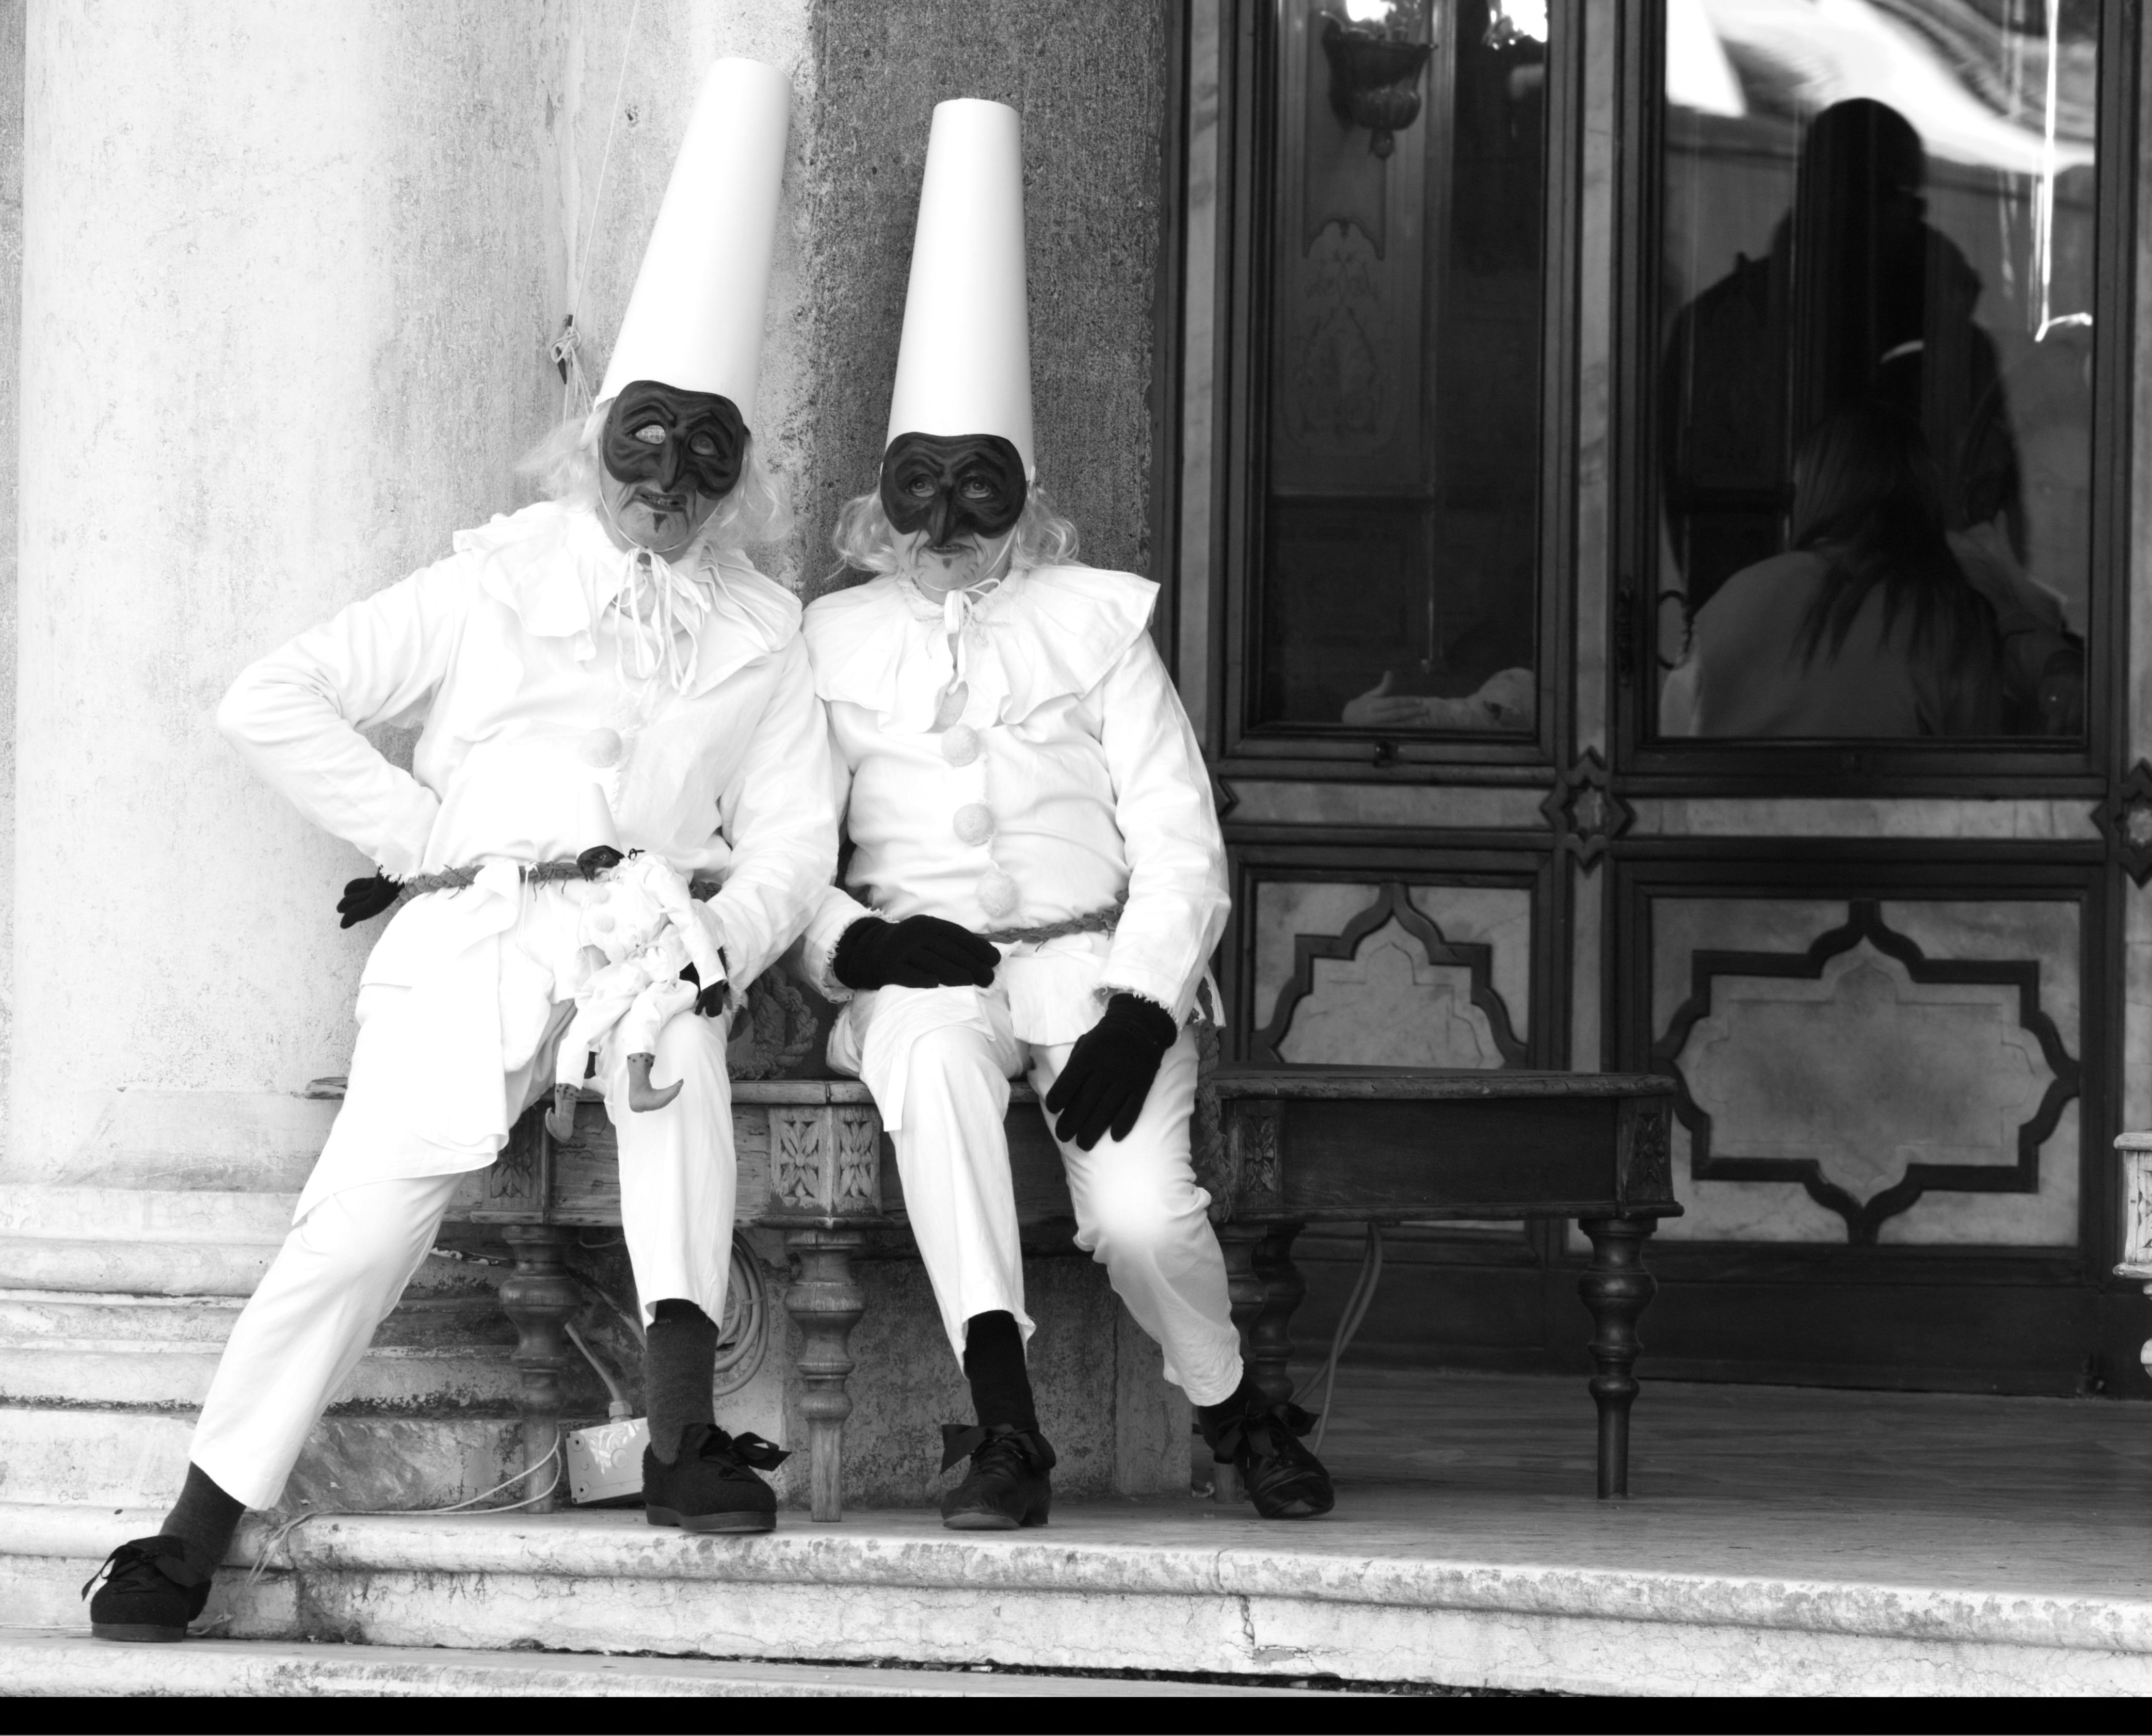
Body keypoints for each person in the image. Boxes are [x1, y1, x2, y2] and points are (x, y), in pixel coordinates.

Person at [85, 60, 835, 1644]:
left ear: (736, 473)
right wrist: (428, 838)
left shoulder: (767, 634)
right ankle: (193, 1525)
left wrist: (724, 938)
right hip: (476, 938)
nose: (664, 491)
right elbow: (270, 696)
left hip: (646, 935)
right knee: (356, 1223)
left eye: (702, 458)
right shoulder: (490, 583)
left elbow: (792, 838)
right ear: (597, 440)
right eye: (643, 446)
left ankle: (683, 1431)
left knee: (677, 1043)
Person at [798, 99, 1335, 1530]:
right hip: (927, 970)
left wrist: (1145, 1002)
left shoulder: (1095, 624)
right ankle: (1005, 1428)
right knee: (930, 1067)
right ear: (882, 497)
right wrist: (857, 946)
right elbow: (781, 849)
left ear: (1022, 494)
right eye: (920, 487)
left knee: (1139, 1215)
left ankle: (1234, 1406)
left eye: (978, 487)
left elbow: (1180, 834)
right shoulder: (828, 642)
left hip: (1094, 966)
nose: (946, 521)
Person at [1660, 400, 2006, 738]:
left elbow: (1672, 736)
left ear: (1814, 491)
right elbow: (1975, 764)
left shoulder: (1739, 597)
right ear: (1924, 493)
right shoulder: (1950, 617)